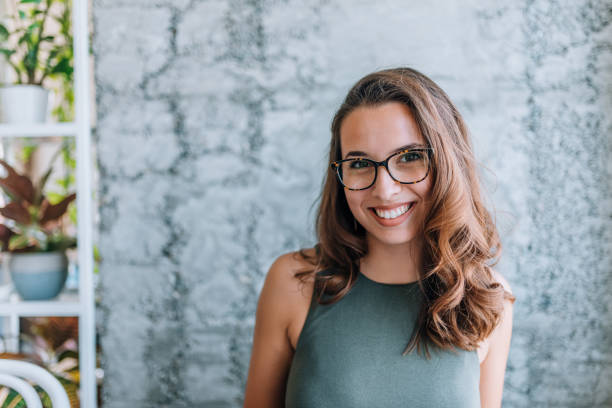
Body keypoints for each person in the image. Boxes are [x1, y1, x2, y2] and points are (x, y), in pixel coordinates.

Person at [243, 67, 515, 408]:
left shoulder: (490, 298)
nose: (384, 190)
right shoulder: (292, 281)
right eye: (359, 163)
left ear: (447, 162)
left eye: (410, 157)